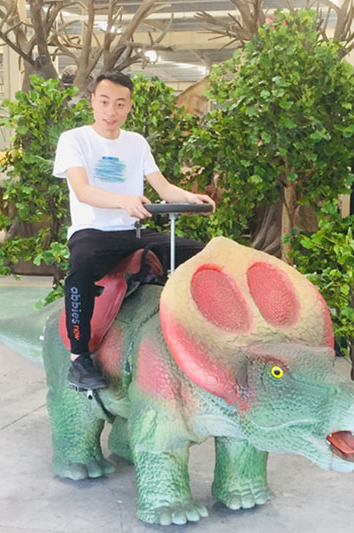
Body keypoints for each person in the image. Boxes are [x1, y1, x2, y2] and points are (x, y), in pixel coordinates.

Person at [53, 71, 215, 391]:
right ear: (92, 102)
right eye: (104, 102)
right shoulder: (74, 140)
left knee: (202, 255)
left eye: (119, 104)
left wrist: (191, 198)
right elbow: (83, 191)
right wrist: (124, 201)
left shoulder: (136, 143)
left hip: (133, 233)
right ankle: (79, 357)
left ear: (129, 107)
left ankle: (202, 338)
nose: (110, 111)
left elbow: (164, 188)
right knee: (81, 269)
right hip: (92, 232)